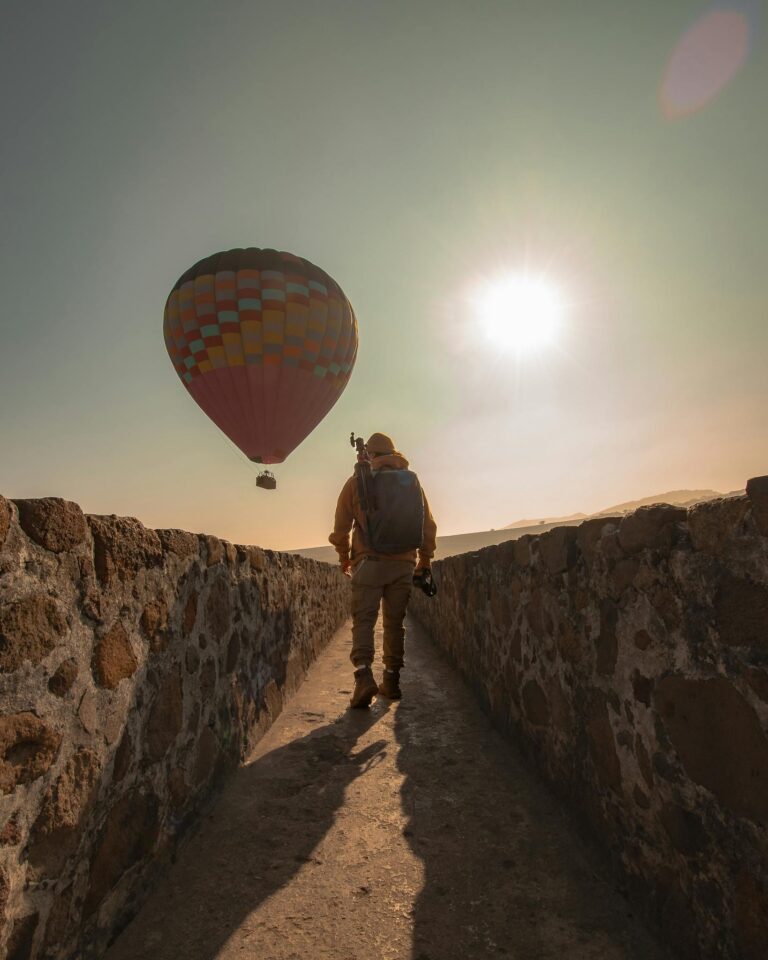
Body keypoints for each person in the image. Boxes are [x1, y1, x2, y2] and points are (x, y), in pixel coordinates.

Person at [329, 432, 437, 708]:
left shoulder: (357, 483)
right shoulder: (411, 482)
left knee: (364, 621)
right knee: (393, 623)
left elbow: (340, 530)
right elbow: (428, 527)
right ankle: (391, 680)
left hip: (368, 563)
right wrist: (424, 561)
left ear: (369, 455)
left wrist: (345, 558)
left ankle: (364, 677)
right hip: (403, 564)